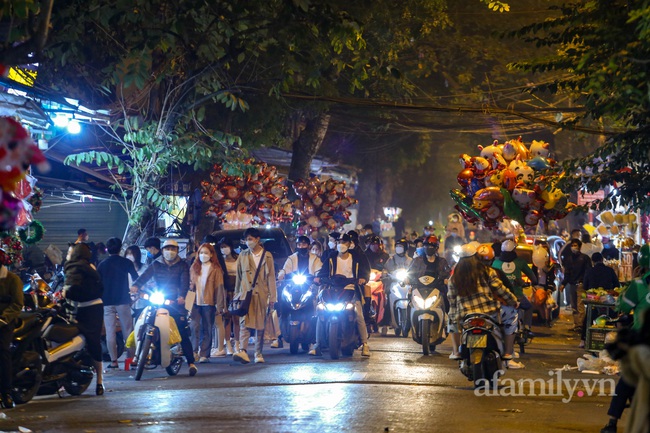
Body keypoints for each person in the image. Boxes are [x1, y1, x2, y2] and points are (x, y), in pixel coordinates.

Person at [600, 244, 650, 433]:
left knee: (626, 382)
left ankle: (612, 423)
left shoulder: (639, 285)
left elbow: (621, 306)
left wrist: (632, 281)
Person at [131, 239, 198, 376]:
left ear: (177, 251)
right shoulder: (156, 264)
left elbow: (184, 282)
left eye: (173, 249)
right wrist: (136, 286)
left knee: (182, 330)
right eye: (167, 248)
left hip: (175, 302)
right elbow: (144, 276)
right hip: (158, 298)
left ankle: (191, 362)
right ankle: (137, 355)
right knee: (144, 321)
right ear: (162, 250)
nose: (170, 252)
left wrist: (181, 297)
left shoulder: (182, 265)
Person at [447, 243, 519, 362]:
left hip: (465, 315)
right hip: (490, 313)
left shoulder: (454, 277)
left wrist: (454, 316)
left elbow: (452, 299)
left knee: (451, 320)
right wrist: (513, 301)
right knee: (513, 315)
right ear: (476, 257)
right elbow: (500, 290)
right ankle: (507, 352)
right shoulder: (487, 271)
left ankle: (455, 351)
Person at [312, 233, 371, 357]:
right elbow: (323, 271)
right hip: (332, 289)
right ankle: (317, 344)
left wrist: (362, 279)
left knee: (358, 314)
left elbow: (365, 272)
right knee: (320, 310)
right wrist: (318, 278)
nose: (341, 245)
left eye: (344, 242)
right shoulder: (331, 257)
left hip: (350, 289)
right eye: (339, 242)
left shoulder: (356, 257)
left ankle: (365, 344)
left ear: (350, 244)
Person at [63, 243, 105, 395]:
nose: (68, 254)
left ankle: (100, 380)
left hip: (89, 309)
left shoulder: (78, 268)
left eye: (70, 251)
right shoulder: (75, 267)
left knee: (93, 343)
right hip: (81, 307)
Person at [232, 228, 277, 364]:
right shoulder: (243, 255)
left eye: (250, 239)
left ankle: (258, 353)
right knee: (244, 323)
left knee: (260, 325)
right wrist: (236, 295)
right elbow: (239, 277)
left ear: (257, 239)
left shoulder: (267, 256)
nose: (248, 242)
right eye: (246, 239)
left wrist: (273, 298)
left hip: (262, 294)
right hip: (245, 294)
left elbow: (271, 277)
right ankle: (243, 351)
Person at [491, 239, 537, 369]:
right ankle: (527, 327)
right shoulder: (520, 262)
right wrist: (533, 282)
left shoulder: (496, 263)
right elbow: (531, 275)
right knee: (528, 307)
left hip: (499, 298)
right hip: (516, 296)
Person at [97, 237, 139, 369]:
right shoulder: (126, 262)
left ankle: (114, 361)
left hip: (107, 301)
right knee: (128, 330)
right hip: (123, 300)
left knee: (110, 331)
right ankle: (130, 359)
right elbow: (136, 278)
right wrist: (135, 293)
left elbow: (98, 284)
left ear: (107, 249)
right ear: (121, 248)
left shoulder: (102, 264)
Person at [274, 235, 323, 348]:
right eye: (299, 244)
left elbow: (319, 271)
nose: (301, 246)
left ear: (308, 246)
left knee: (314, 308)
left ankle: (314, 336)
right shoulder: (291, 258)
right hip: (293, 287)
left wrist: (317, 277)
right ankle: (279, 336)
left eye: (304, 244)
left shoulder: (314, 259)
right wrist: (281, 275)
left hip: (308, 287)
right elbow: (285, 270)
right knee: (282, 305)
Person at [189, 243, 227, 363]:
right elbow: (190, 287)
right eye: (201, 253)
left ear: (211, 254)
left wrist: (220, 305)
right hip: (195, 302)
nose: (203, 255)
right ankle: (194, 351)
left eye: (206, 253)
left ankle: (204, 354)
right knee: (194, 326)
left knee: (207, 328)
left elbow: (219, 288)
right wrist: (187, 305)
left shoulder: (216, 269)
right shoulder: (194, 267)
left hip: (209, 303)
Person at [0, 253, 24, 409]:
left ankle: (6, 392)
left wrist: (3, 319)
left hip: (5, 323)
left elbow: (17, 304)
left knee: (2, 351)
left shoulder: (12, 279)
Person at [407, 235, 451, 310]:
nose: (428, 248)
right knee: (410, 304)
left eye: (431, 246)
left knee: (446, 300)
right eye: (426, 246)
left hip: (437, 289)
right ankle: (408, 321)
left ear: (436, 248)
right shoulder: (417, 261)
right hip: (419, 288)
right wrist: (408, 279)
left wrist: (446, 280)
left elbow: (447, 273)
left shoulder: (442, 261)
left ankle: (447, 319)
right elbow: (410, 272)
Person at [561, 238, 592, 333]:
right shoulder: (569, 259)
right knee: (574, 306)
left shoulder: (585, 258)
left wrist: (586, 283)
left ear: (579, 247)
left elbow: (588, 272)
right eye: (572, 245)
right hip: (572, 284)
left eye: (575, 245)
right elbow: (567, 273)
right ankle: (577, 324)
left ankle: (581, 325)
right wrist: (563, 284)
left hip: (581, 285)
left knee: (580, 306)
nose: (573, 247)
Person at [216, 238, 240, 355]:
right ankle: (228, 344)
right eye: (221, 247)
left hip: (237, 291)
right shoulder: (220, 261)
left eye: (225, 246)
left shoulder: (238, 259)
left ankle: (238, 343)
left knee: (237, 318)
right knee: (226, 318)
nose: (224, 249)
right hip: (225, 291)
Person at [125, 245, 147, 319]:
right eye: (127, 254)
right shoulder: (123, 269)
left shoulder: (145, 268)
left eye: (131, 254)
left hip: (142, 301)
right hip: (128, 302)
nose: (129, 256)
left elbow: (150, 283)